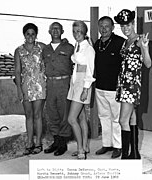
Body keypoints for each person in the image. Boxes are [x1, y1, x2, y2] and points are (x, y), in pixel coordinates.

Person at [114, 9, 152, 159]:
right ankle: (134, 153)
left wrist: (144, 48)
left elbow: (148, 64)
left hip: (131, 86)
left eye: (128, 25)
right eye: (122, 26)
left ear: (133, 23)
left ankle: (125, 155)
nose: (125, 28)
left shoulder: (139, 40)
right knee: (132, 118)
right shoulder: (125, 41)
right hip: (123, 83)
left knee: (122, 120)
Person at [94, 16, 125, 159]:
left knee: (116, 118)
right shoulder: (97, 43)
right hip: (99, 87)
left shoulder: (120, 42)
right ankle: (107, 144)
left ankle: (118, 146)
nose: (104, 29)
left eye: (107, 26)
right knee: (103, 116)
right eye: (101, 26)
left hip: (115, 89)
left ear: (113, 27)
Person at [14, 23, 46, 155]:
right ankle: (29, 142)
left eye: (33, 34)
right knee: (28, 115)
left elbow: (53, 52)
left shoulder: (42, 47)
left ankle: (38, 142)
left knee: (38, 115)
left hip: (39, 85)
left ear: (36, 35)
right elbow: (17, 71)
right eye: (28, 34)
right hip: (25, 86)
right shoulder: (18, 50)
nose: (30, 36)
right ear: (24, 35)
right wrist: (19, 90)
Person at [42, 22, 74, 156]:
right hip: (50, 84)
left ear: (62, 31)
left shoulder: (69, 47)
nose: (55, 30)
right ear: (49, 31)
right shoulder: (45, 49)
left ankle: (62, 144)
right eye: (52, 28)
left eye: (58, 28)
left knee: (64, 113)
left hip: (64, 83)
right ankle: (55, 141)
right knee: (52, 113)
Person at [67, 20, 95, 160]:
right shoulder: (77, 45)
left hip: (83, 84)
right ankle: (84, 146)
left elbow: (90, 70)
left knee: (71, 119)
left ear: (84, 32)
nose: (76, 34)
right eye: (74, 31)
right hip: (75, 83)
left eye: (79, 31)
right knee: (82, 117)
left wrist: (85, 89)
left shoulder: (88, 48)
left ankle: (80, 150)